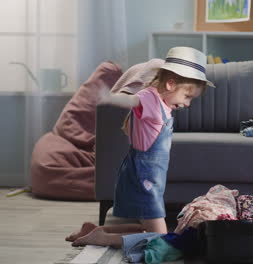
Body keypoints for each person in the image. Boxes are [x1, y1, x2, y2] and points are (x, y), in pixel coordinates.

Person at [66, 46, 214, 247]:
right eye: (187, 96)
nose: (188, 104)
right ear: (171, 84)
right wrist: (110, 97)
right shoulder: (150, 99)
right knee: (160, 238)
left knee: (145, 230)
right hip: (145, 177)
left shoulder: (162, 103)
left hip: (150, 176)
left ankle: (96, 230)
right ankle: (102, 239)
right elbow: (132, 100)